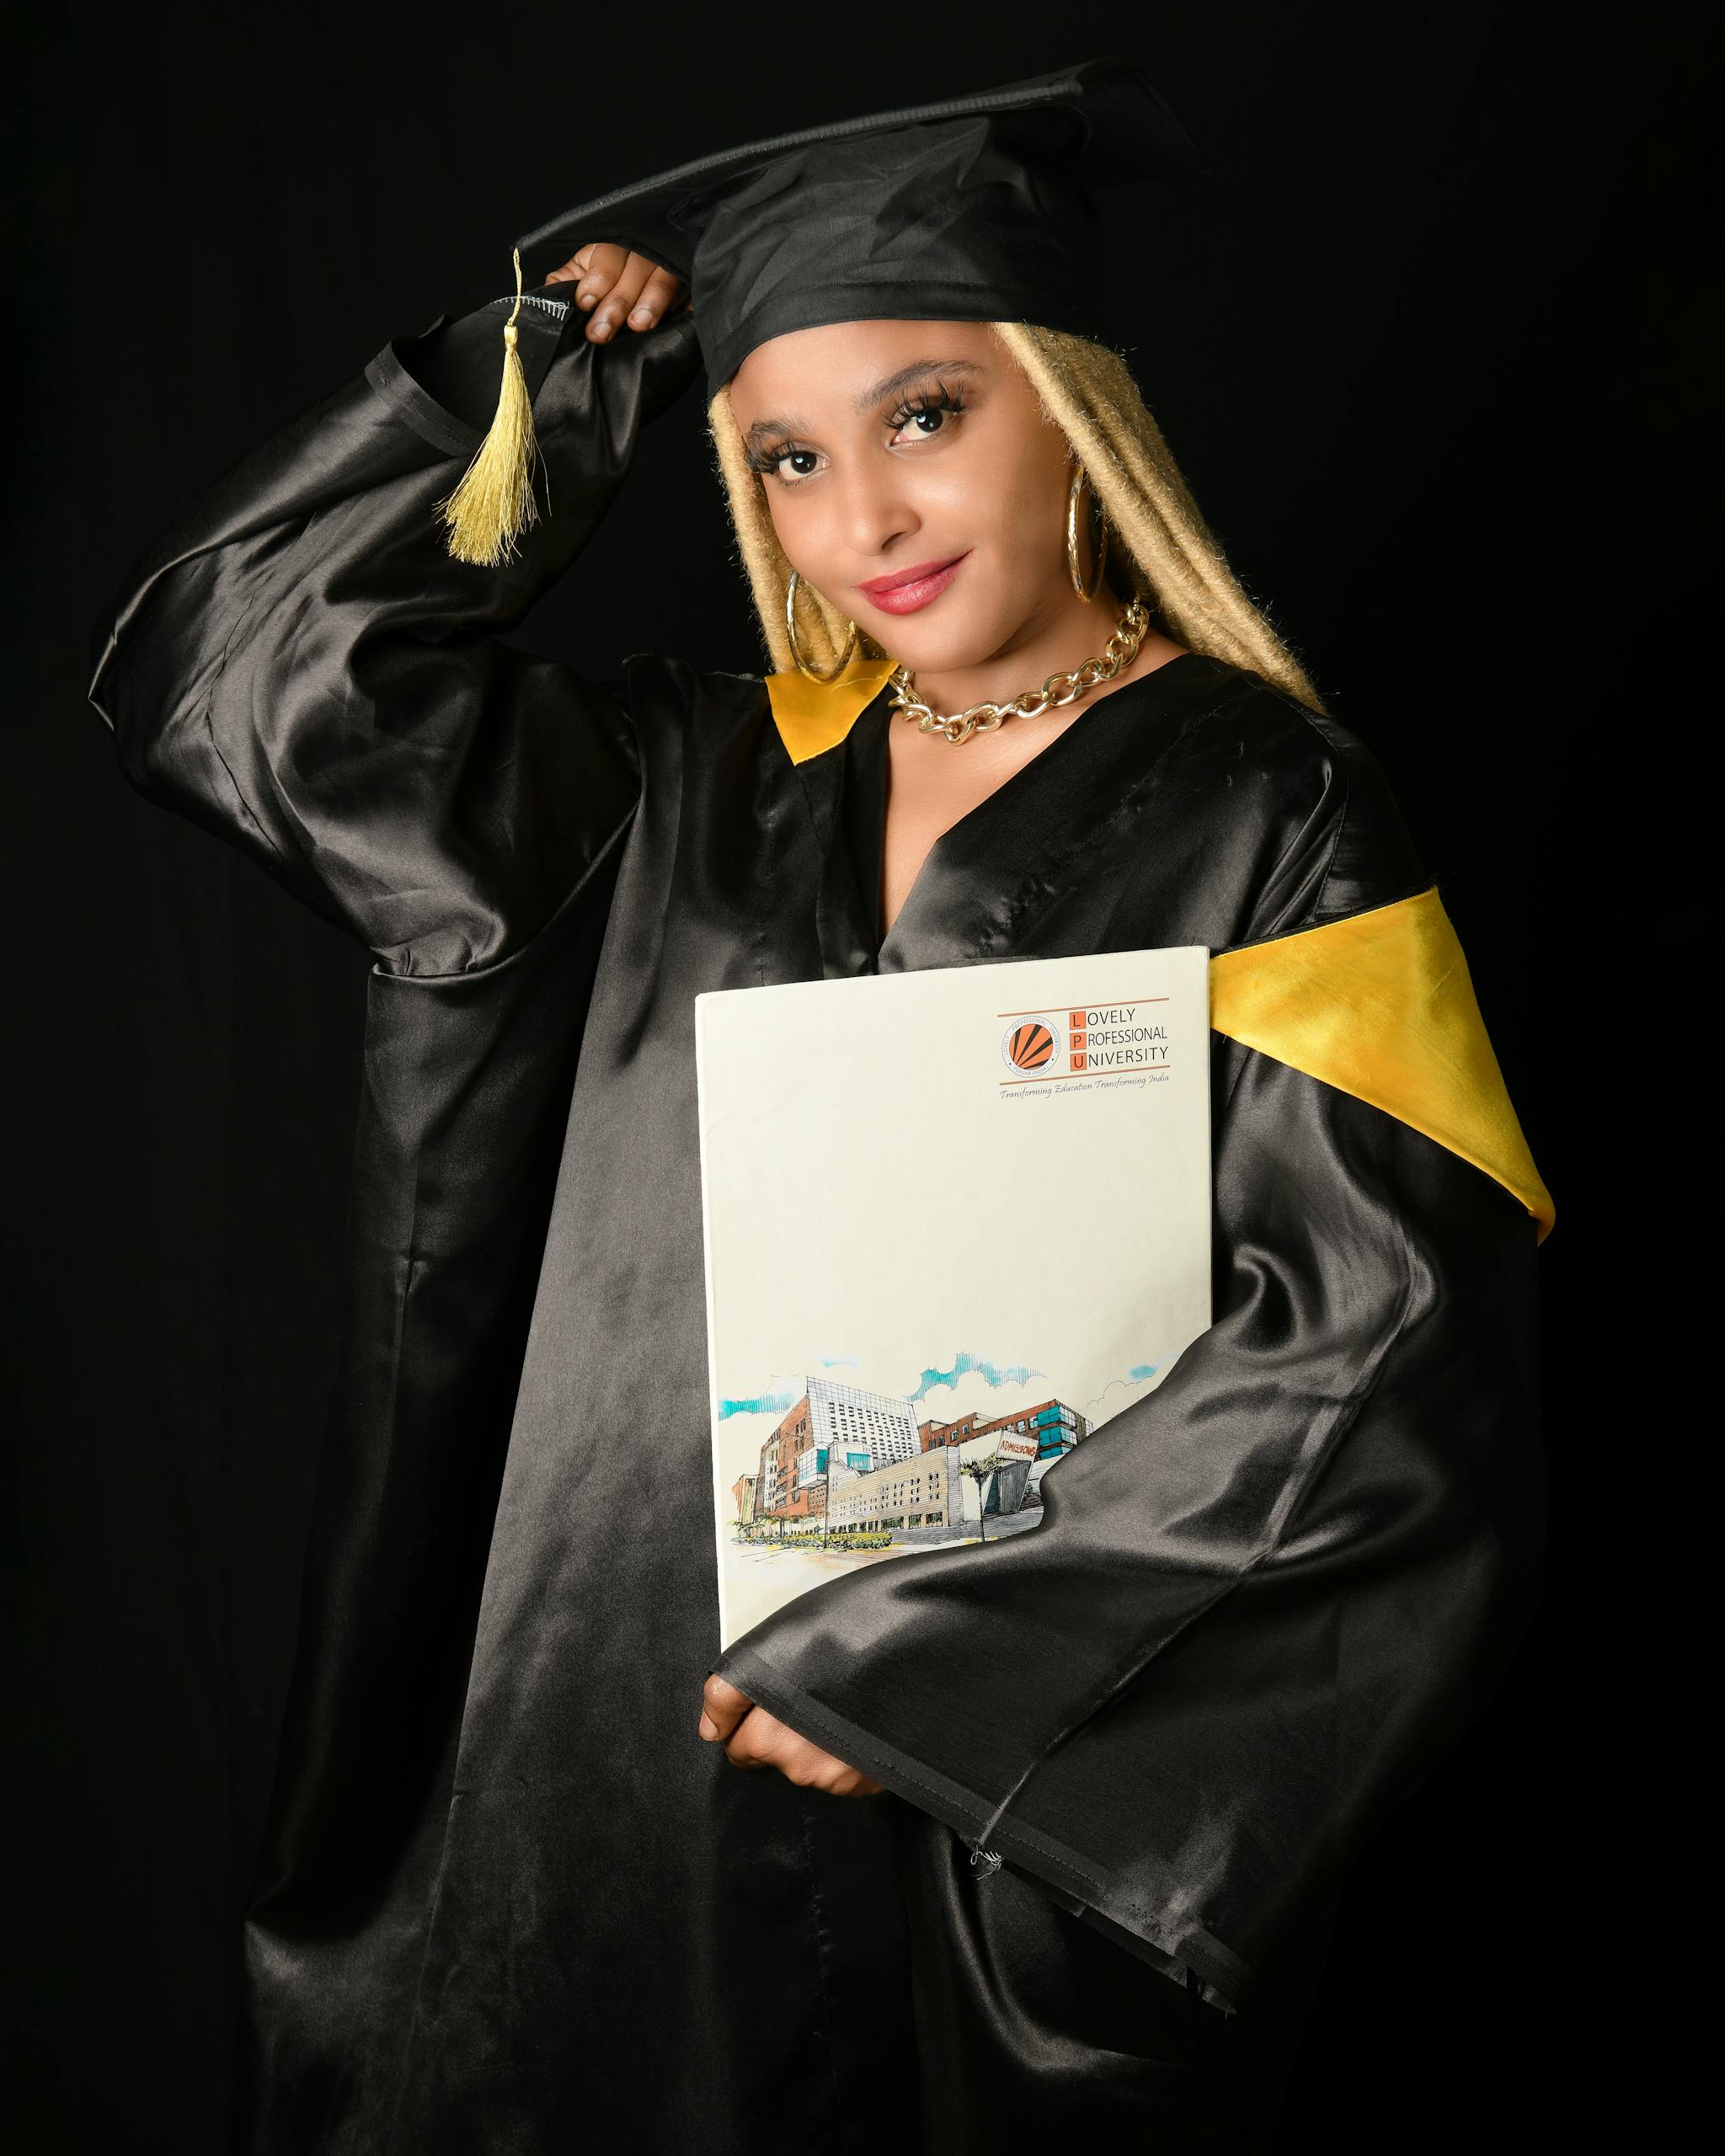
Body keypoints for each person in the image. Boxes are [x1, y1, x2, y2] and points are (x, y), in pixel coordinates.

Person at [86, 58, 1550, 2156]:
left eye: (925, 415)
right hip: (592, 1720)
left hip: (984, 1777)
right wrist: (540, 404)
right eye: (782, 457)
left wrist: (932, 1666)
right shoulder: (671, 783)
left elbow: (1383, 1334)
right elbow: (233, 684)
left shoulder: (1266, 807)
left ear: (1073, 403)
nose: (857, 519)